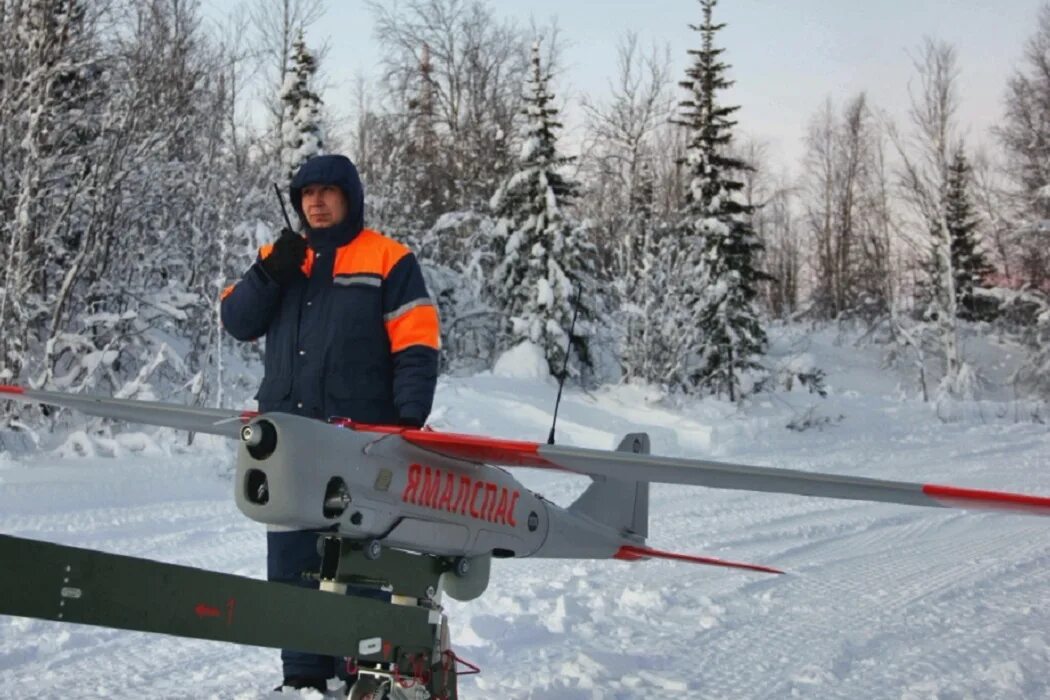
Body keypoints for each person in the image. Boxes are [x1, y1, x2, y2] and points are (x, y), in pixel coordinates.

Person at [220, 154, 440, 693]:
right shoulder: (280, 258)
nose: (315, 202)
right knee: (292, 561)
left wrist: (408, 422)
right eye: (306, 194)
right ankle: (302, 679)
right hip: (289, 439)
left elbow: (416, 343)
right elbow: (237, 320)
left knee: (359, 560)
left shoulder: (389, 258)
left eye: (326, 192)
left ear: (350, 197)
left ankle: (359, 673)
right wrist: (269, 272)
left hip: (360, 442)